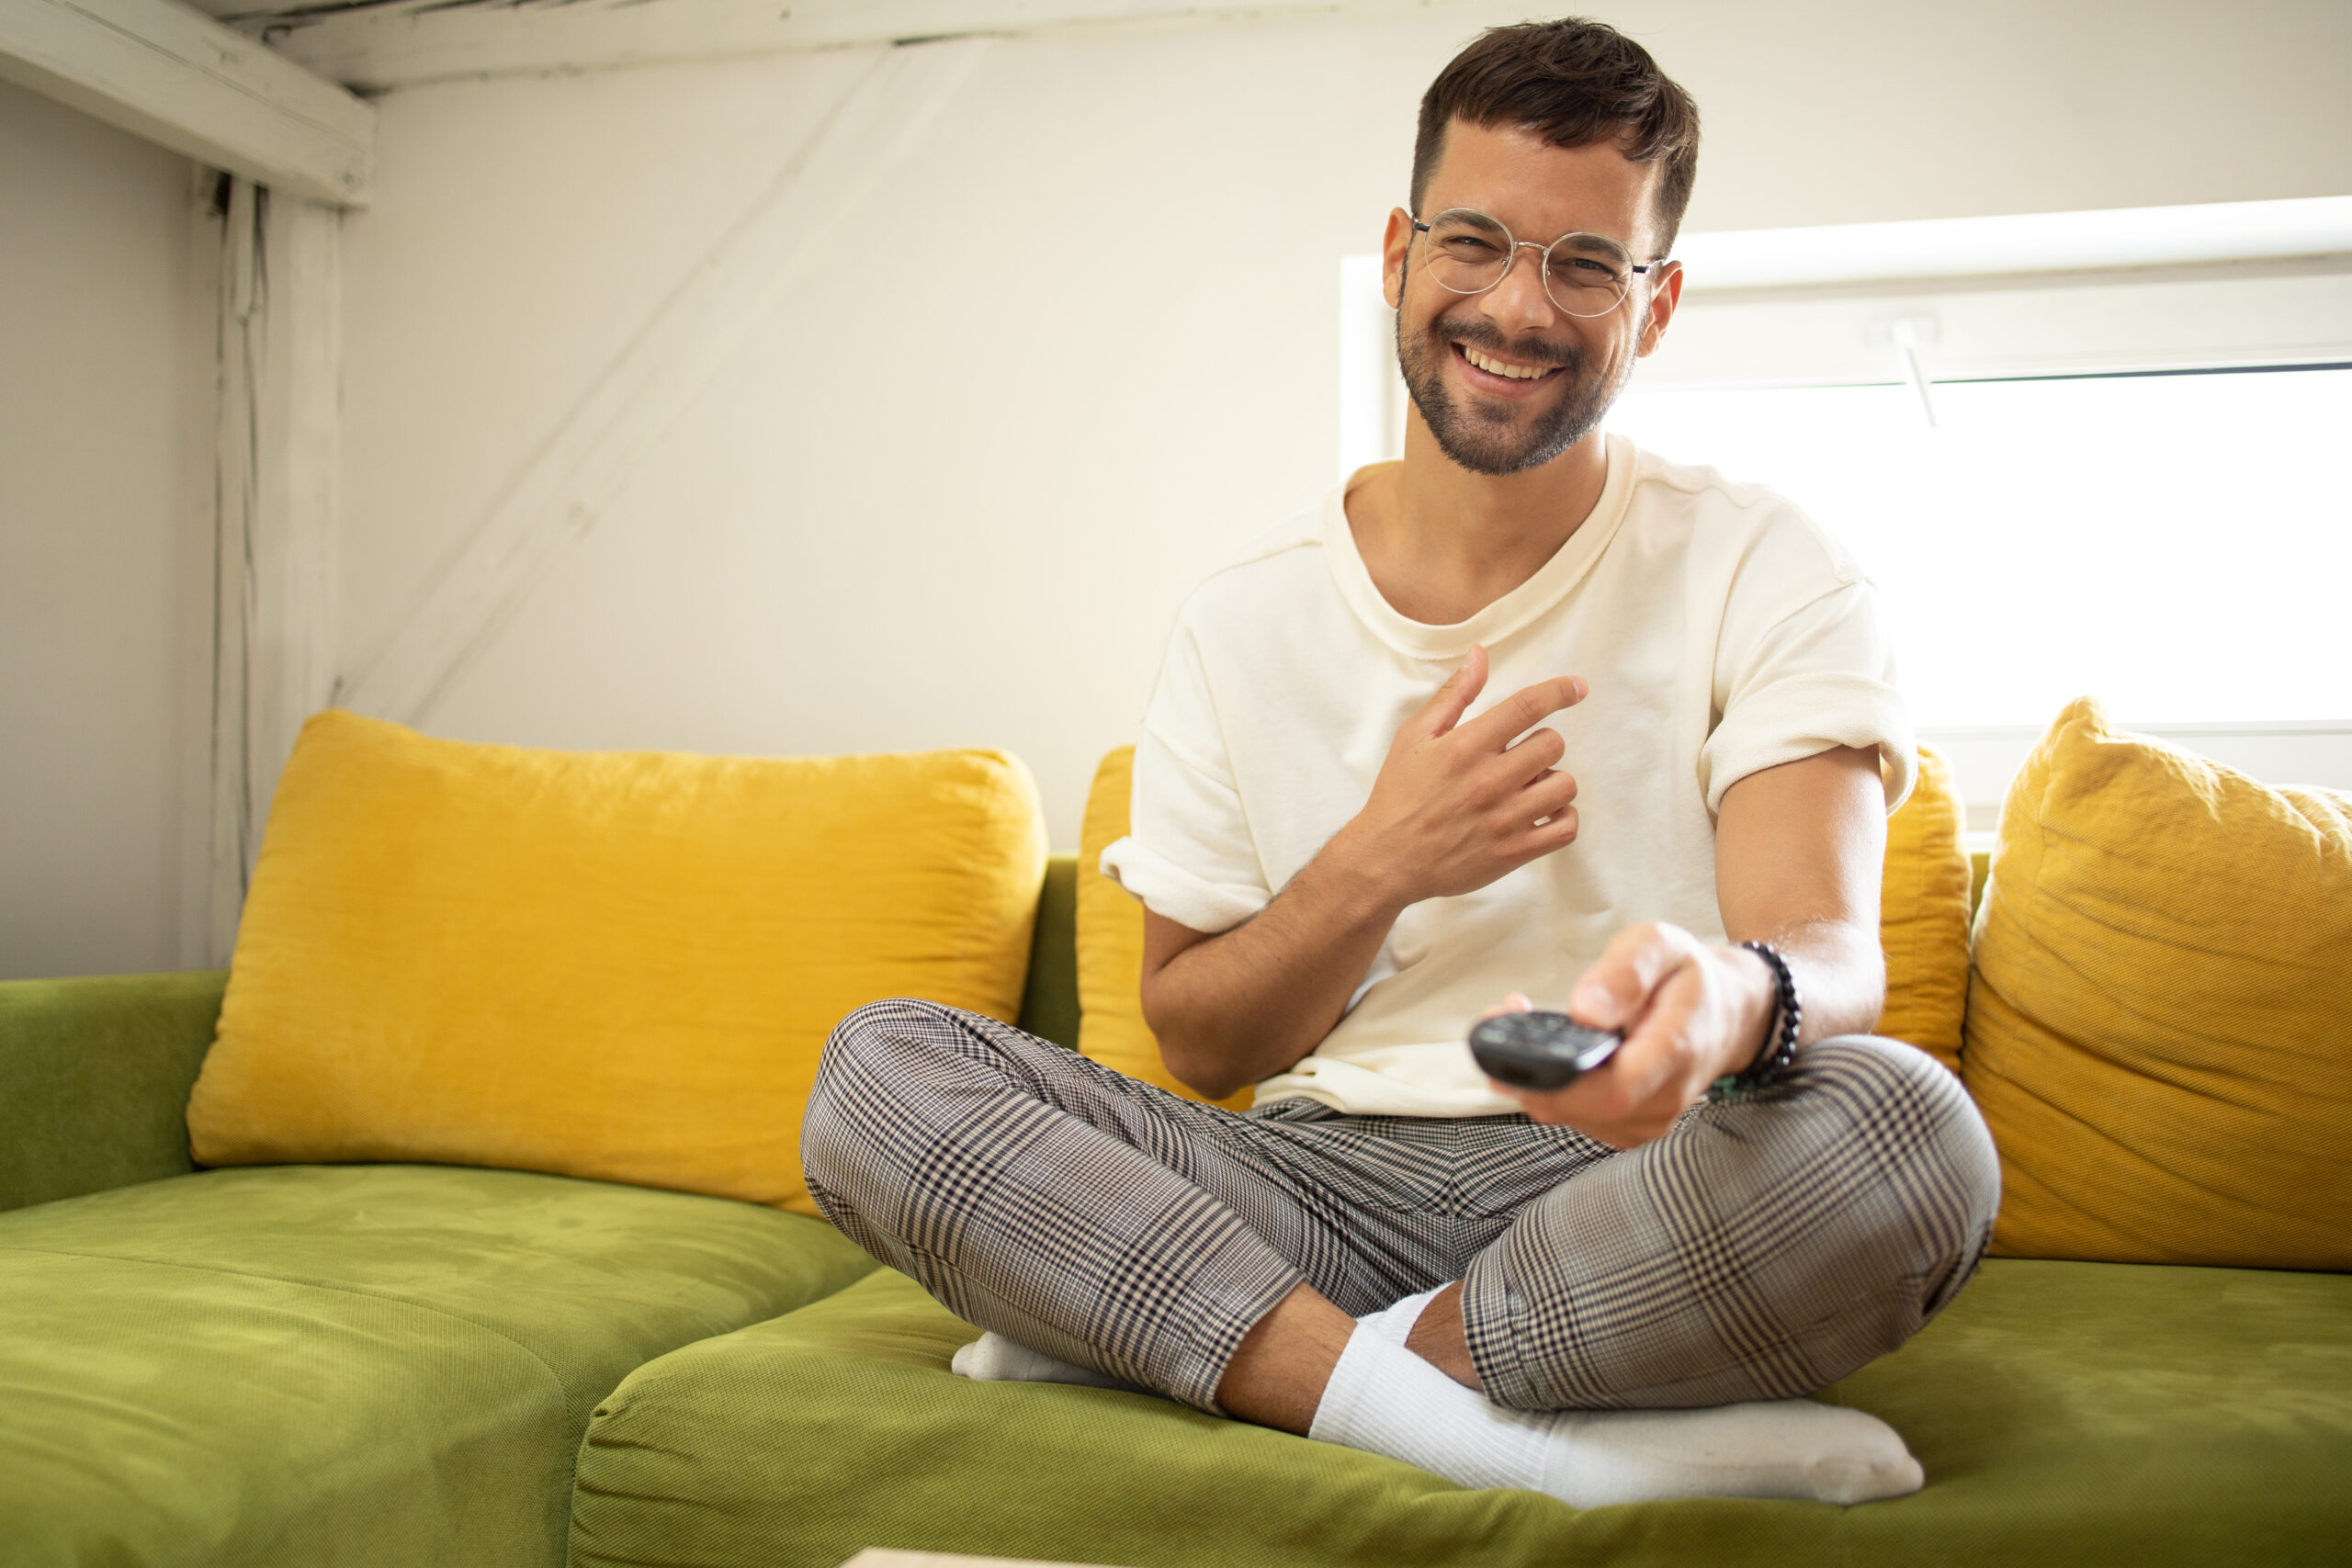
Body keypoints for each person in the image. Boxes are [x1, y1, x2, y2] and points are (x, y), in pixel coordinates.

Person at [801, 16, 1997, 1508]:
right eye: (1476, 242)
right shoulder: (1243, 622)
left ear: (1659, 301)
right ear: (1396, 252)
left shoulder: (1763, 560)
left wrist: (1719, 1012)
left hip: (1635, 1194)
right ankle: (1466, 1415)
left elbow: (1821, 943)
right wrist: (1383, 859)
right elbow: (1204, 1045)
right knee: (878, 1074)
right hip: (1311, 1187)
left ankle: (1212, 1344)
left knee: (1912, 1137)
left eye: (1584, 264)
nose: (1519, 306)